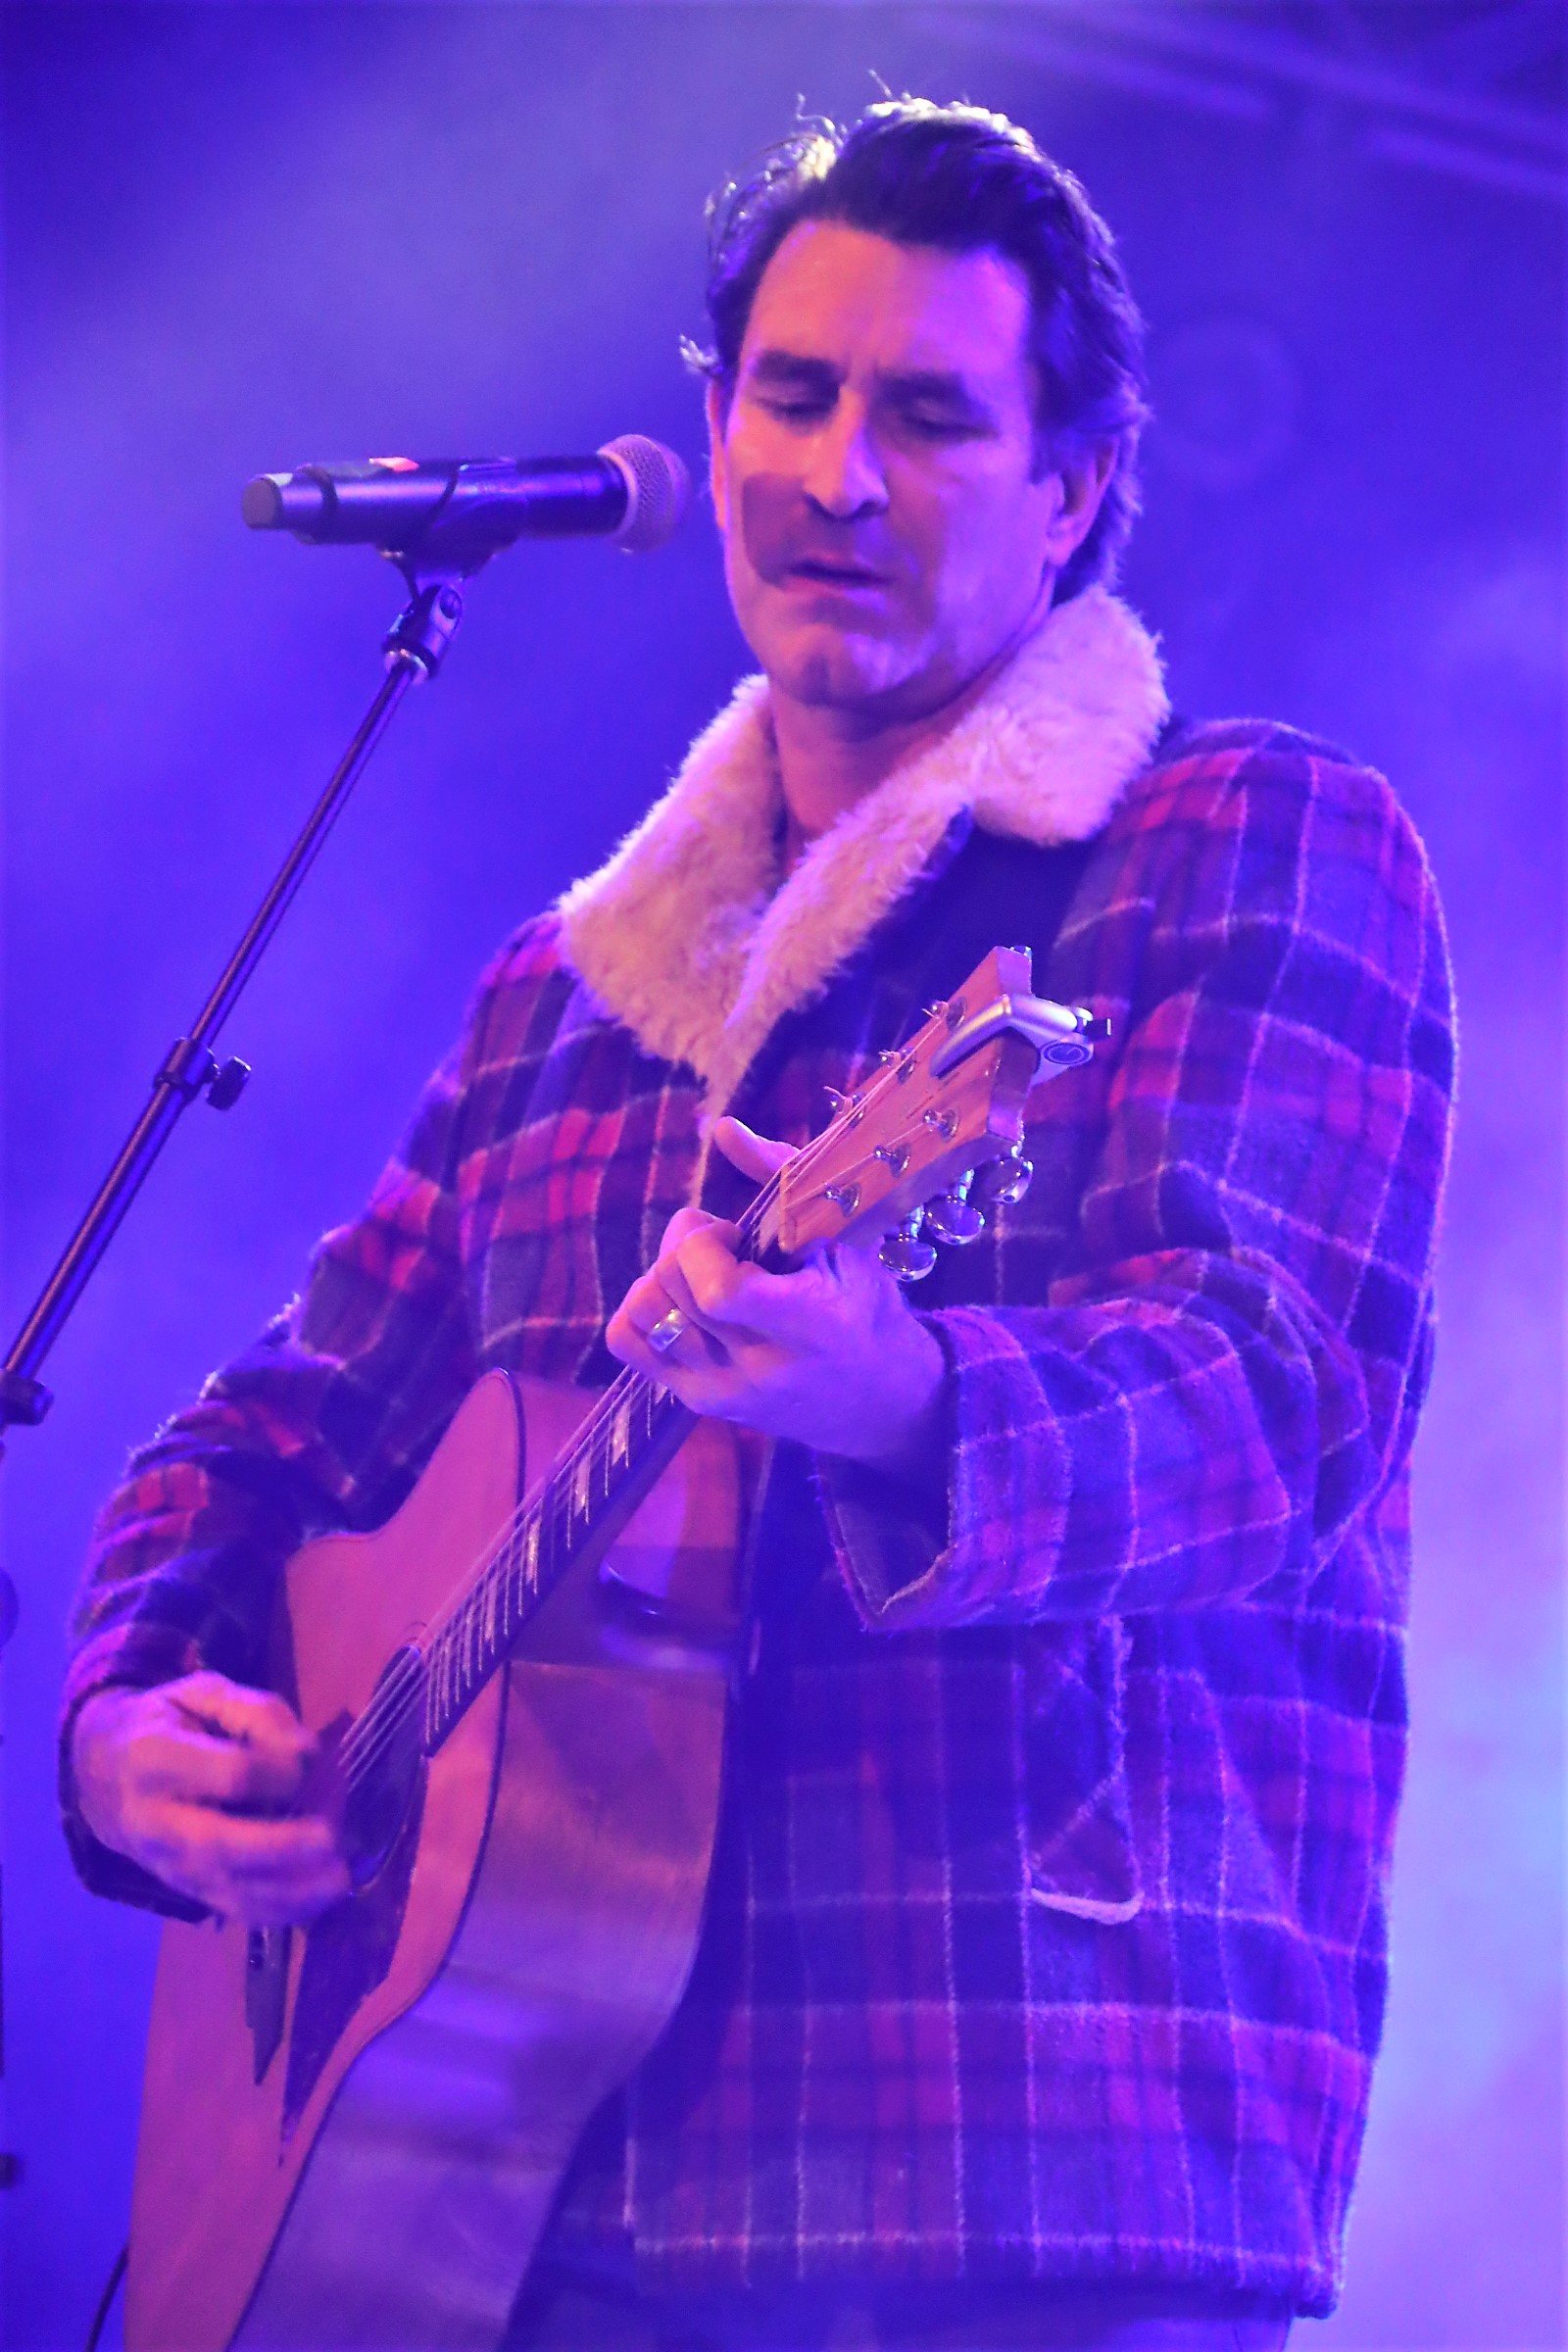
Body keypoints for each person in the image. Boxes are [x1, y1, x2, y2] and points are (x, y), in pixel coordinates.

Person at [60, 99, 1454, 2352]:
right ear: (710, 433)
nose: (836, 477)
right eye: (790, 398)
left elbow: (1276, 1401)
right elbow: (271, 1436)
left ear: (1074, 487)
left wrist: (907, 1397)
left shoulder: (1232, 840)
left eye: (927, 418)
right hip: (514, 2197)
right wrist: (129, 1722)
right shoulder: (572, 996)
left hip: (1001, 2168)